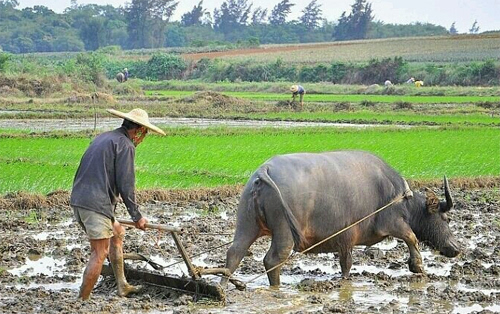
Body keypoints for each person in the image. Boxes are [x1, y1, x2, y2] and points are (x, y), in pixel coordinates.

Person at [70, 108, 166, 300]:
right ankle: (82, 302)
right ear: (138, 131)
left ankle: (122, 285)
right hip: (95, 205)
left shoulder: (104, 138)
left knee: (118, 233)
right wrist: (137, 217)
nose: (143, 138)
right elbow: (126, 185)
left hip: (80, 200)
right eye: (145, 133)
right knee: (99, 252)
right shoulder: (126, 145)